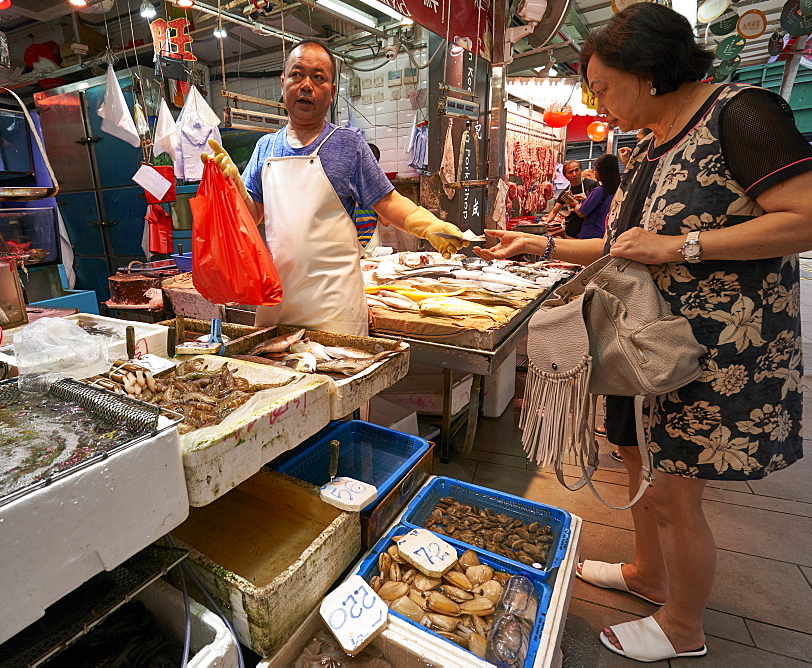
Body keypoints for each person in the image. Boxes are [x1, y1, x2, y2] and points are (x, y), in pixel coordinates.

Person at [476, 3, 812, 662]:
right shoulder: (654, 141)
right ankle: (646, 574)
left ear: (649, 71)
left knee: (674, 491)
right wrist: (537, 246)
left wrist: (682, 247)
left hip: (715, 352)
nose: (600, 104)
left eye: (604, 88)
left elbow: (805, 215)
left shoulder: (741, 114)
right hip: (647, 343)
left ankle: (684, 628)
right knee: (640, 463)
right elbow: (621, 245)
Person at [202, 39, 465, 336]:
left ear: (331, 93)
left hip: (334, 305)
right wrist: (234, 186)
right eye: (297, 74)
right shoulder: (266, 147)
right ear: (283, 83)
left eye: (318, 78)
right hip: (278, 300)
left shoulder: (348, 145)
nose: (306, 85)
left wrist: (427, 225)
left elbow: (387, 202)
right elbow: (253, 216)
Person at [569, 153, 619, 239]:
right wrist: (587, 199)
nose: (594, 172)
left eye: (595, 169)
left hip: (591, 234)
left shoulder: (599, 191)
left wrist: (575, 204)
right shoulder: (618, 190)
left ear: (602, 172)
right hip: (605, 233)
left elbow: (581, 212)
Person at [544, 159, 598, 235]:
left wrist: (585, 200)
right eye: (570, 172)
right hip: (573, 227)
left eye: (576, 170)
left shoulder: (593, 185)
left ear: (581, 170)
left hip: (591, 226)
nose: (574, 174)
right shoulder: (566, 192)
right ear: (565, 176)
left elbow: (601, 205)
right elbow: (554, 211)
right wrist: (545, 223)